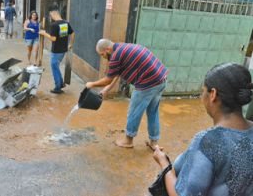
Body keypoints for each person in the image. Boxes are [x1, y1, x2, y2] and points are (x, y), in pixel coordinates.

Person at [153, 63, 253, 196]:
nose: (201, 97)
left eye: (202, 91)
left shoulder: (209, 141)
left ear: (213, 94)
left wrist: (164, 163)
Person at [86, 39, 168, 148]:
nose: (103, 57)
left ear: (107, 49)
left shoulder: (115, 56)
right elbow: (117, 74)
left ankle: (128, 140)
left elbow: (108, 79)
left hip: (148, 83)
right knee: (153, 112)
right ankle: (154, 143)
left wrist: (91, 84)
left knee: (134, 111)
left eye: (103, 54)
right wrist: (106, 89)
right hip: (160, 79)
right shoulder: (121, 48)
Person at [39, 6, 75, 94]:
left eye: (51, 15)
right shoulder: (66, 23)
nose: (50, 17)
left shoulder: (54, 25)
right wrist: (71, 44)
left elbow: (53, 39)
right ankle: (61, 83)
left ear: (54, 13)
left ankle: (57, 87)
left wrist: (44, 33)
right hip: (63, 50)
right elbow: (73, 33)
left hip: (56, 51)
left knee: (54, 68)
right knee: (56, 67)